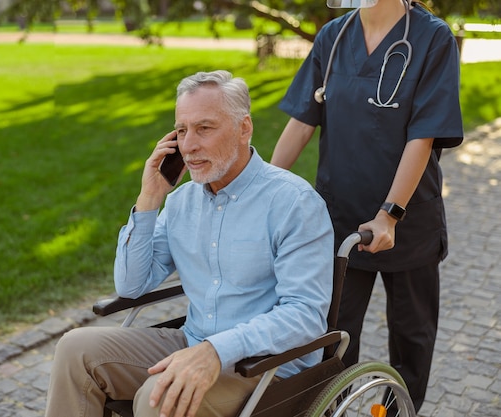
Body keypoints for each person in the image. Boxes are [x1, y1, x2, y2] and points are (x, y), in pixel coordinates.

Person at [44, 70, 335, 417]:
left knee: (159, 397)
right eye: (181, 130)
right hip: (192, 342)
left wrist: (217, 350)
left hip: (266, 368)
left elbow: (305, 315)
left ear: (244, 128)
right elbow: (132, 285)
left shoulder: (294, 202)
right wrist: (149, 197)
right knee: (75, 348)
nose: (189, 145)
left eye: (204, 128)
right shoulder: (181, 202)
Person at [270, 0, 463, 412]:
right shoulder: (334, 36)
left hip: (407, 223)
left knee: (412, 339)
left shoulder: (432, 38)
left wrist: (389, 214)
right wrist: (261, 187)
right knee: (333, 340)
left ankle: (398, 411)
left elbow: (423, 135)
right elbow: (304, 118)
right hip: (340, 222)